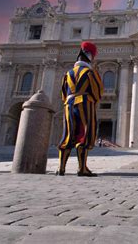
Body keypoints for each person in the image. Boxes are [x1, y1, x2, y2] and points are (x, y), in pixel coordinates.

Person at [56, 41, 103, 177]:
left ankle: (61, 168)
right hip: (85, 103)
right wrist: (93, 100)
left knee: (68, 133)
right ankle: (82, 168)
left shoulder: (68, 73)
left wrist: (68, 101)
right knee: (84, 134)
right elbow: (97, 91)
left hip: (69, 104)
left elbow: (63, 93)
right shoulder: (90, 72)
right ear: (90, 57)